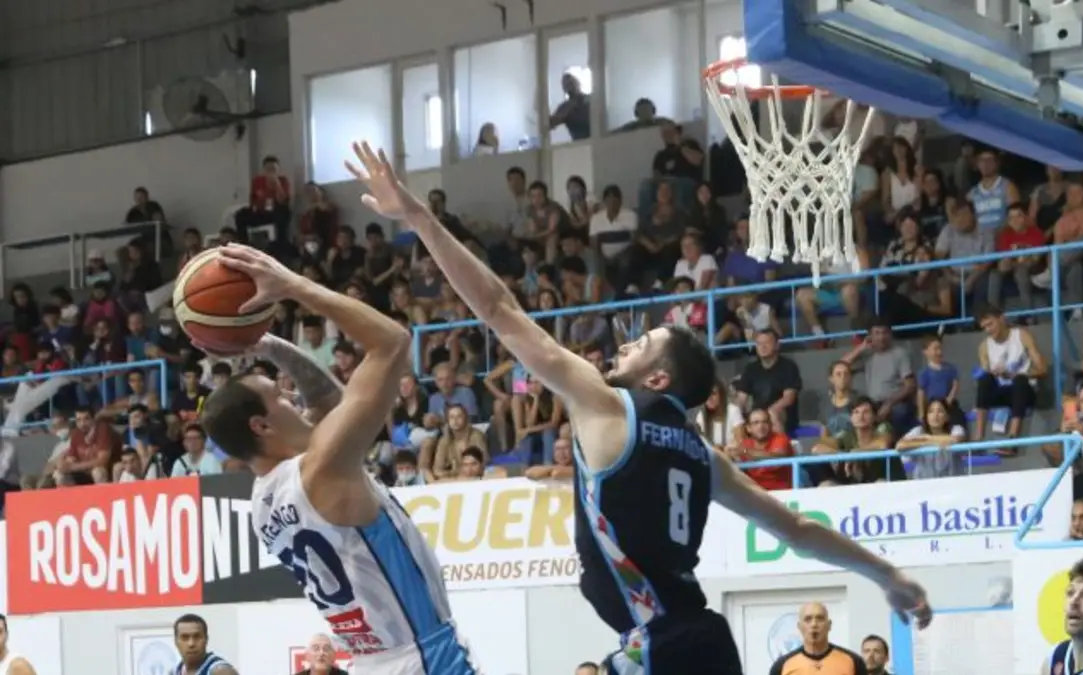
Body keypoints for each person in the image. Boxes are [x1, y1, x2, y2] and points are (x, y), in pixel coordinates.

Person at [348, 141, 931, 674]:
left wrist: (418, 217)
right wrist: (886, 574)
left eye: (641, 343)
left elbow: (499, 309)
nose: (624, 346)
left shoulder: (606, 405)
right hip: (704, 640)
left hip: (660, 646)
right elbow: (798, 529)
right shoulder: (703, 455)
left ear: (657, 377)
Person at [199, 243, 473, 672]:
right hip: (424, 657)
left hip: (373, 662)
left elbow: (326, 401)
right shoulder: (321, 467)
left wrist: (267, 344)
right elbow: (392, 342)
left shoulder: (264, 502)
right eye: (280, 397)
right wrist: (293, 285)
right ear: (261, 426)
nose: (293, 396)